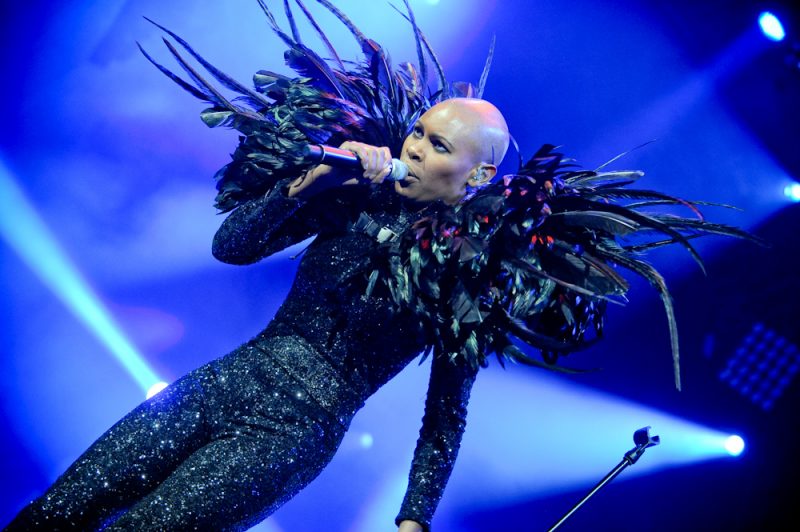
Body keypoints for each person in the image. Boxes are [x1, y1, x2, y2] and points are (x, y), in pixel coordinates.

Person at [5, 3, 754, 530]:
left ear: (479, 176)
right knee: (60, 510)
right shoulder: (354, 196)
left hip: (288, 433)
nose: (415, 148)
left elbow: (445, 414)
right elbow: (230, 247)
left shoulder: (464, 276)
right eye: (418, 132)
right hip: (225, 380)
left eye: (437, 146)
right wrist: (306, 186)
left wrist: (413, 518)